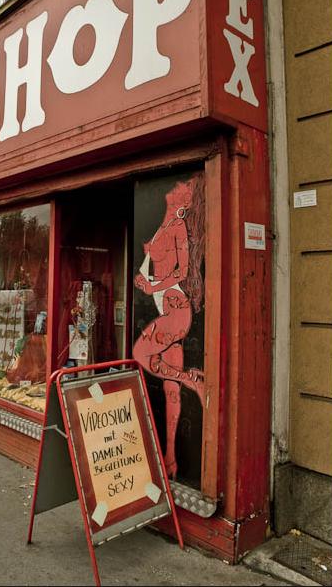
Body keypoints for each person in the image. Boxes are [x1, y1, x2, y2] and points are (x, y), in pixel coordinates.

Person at [133, 174, 205, 479]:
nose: (176, 186)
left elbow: (182, 272)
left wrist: (152, 287)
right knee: (169, 390)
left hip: (176, 308)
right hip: (166, 306)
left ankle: (193, 381)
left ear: (185, 200)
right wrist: (146, 280)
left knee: (140, 353)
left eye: (182, 186)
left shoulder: (177, 227)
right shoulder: (165, 225)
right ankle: (171, 457)